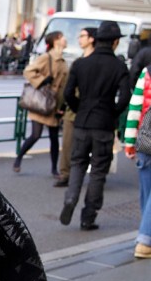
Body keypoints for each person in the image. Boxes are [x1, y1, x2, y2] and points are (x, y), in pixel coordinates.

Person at [60, 20, 130, 231]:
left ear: (97, 40)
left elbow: (67, 94)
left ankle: (70, 198)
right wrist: (113, 112)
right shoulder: (119, 66)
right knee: (99, 171)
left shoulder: (81, 64)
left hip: (82, 122)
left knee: (78, 164)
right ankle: (88, 217)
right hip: (104, 125)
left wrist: (80, 108)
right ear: (115, 42)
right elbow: (125, 96)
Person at [13, 31, 68, 176]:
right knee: (35, 135)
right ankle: (19, 158)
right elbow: (29, 71)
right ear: (56, 40)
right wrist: (42, 80)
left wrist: (62, 106)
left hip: (55, 104)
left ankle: (54, 169)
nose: (65, 40)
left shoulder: (63, 60)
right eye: (63, 37)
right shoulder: (46, 57)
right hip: (42, 101)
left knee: (54, 138)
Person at [54, 26, 97, 187]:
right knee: (67, 144)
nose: (79, 39)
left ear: (92, 38)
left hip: (87, 110)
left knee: (85, 145)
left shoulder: (92, 61)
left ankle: (79, 175)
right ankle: (65, 174)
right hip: (74, 110)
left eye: (82, 36)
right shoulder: (78, 61)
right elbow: (68, 89)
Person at [124, 65, 151, 258]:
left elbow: (135, 107)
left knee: (146, 192)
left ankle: (146, 234)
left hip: (146, 138)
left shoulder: (148, 71)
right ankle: (145, 239)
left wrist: (129, 141)